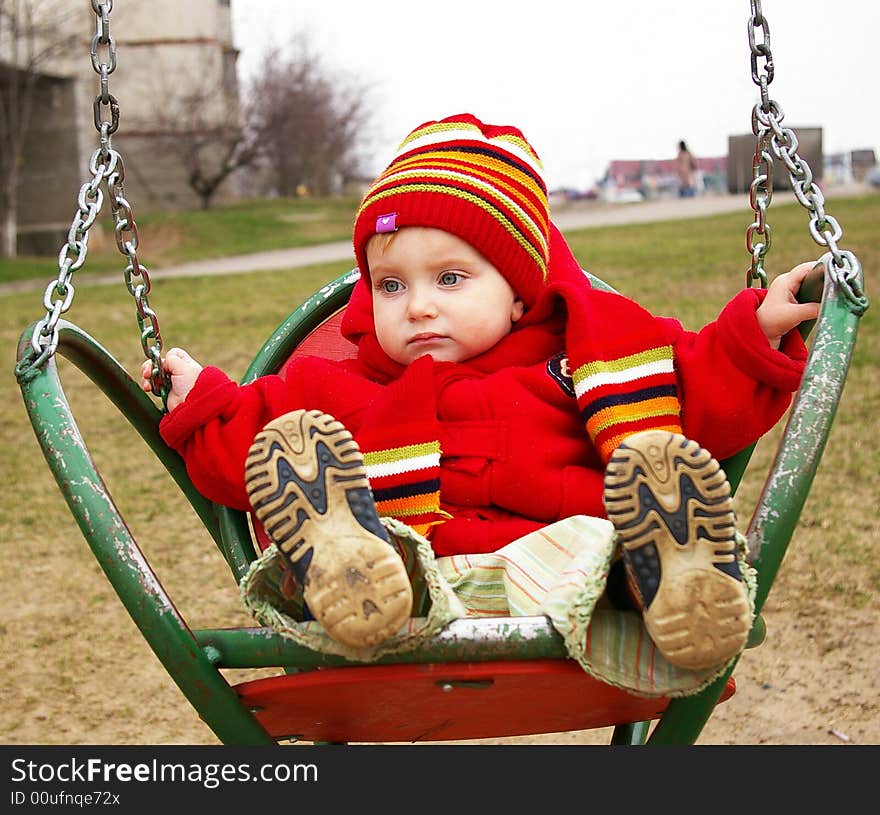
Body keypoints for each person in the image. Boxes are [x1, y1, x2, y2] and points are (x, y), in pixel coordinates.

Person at [142, 113, 819, 669]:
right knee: (352, 532)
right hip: (417, 595)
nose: (418, 307)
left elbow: (700, 389)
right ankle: (348, 552)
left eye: (451, 278)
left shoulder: (586, 362)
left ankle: (672, 572)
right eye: (391, 285)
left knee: (601, 545)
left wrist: (752, 335)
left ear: (521, 294)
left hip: (564, 582)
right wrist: (200, 397)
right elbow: (255, 447)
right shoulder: (339, 385)